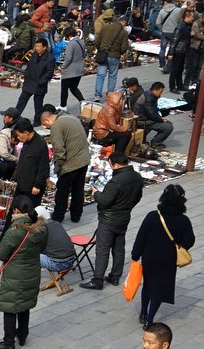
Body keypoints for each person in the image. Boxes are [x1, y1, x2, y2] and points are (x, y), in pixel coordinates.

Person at [130, 185, 195, 325]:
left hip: (150, 257)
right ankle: (149, 319)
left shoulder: (152, 216)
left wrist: (135, 255)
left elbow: (141, 237)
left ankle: (143, 312)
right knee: (159, 289)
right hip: (168, 260)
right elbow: (189, 241)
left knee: (148, 285)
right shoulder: (183, 220)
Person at [81, 152, 143, 291]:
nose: (110, 167)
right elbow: (137, 197)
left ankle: (98, 280)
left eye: (110, 165)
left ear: (116, 164)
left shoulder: (116, 181)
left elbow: (105, 201)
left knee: (102, 249)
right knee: (118, 248)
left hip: (109, 220)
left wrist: (96, 192)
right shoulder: (137, 177)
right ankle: (115, 276)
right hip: (123, 218)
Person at [0, 203, 48, 349]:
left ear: (17, 211)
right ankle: (22, 336)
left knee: (10, 307)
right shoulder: (42, 229)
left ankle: (9, 342)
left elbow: (1, 255)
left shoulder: (14, 231)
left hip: (14, 274)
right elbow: (43, 248)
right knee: (24, 304)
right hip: (32, 272)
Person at [14, 38, 54, 122]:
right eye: (36, 46)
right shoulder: (34, 54)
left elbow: (49, 73)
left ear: (44, 47)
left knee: (38, 104)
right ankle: (14, 118)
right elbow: (28, 66)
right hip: (29, 82)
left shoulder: (50, 58)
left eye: (39, 46)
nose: (37, 48)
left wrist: (42, 81)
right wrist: (26, 74)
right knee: (21, 101)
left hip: (39, 85)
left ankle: (37, 121)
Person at [93, 9, 129, 100]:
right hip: (114, 56)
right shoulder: (124, 33)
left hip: (103, 55)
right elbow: (124, 47)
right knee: (112, 76)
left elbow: (97, 41)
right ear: (124, 23)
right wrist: (119, 52)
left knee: (100, 75)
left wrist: (100, 50)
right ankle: (110, 95)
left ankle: (97, 95)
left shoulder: (105, 28)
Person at [133, 82, 173, 148]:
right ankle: (155, 143)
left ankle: (152, 140)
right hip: (143, 121)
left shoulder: (148, 94)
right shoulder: (149, 99)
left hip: (144, 118)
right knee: (169, 127)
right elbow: (152, 115)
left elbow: (153, 112)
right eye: (160, 92)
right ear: (154, 90)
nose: (160, 94)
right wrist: (161, 120)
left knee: (168, 123)